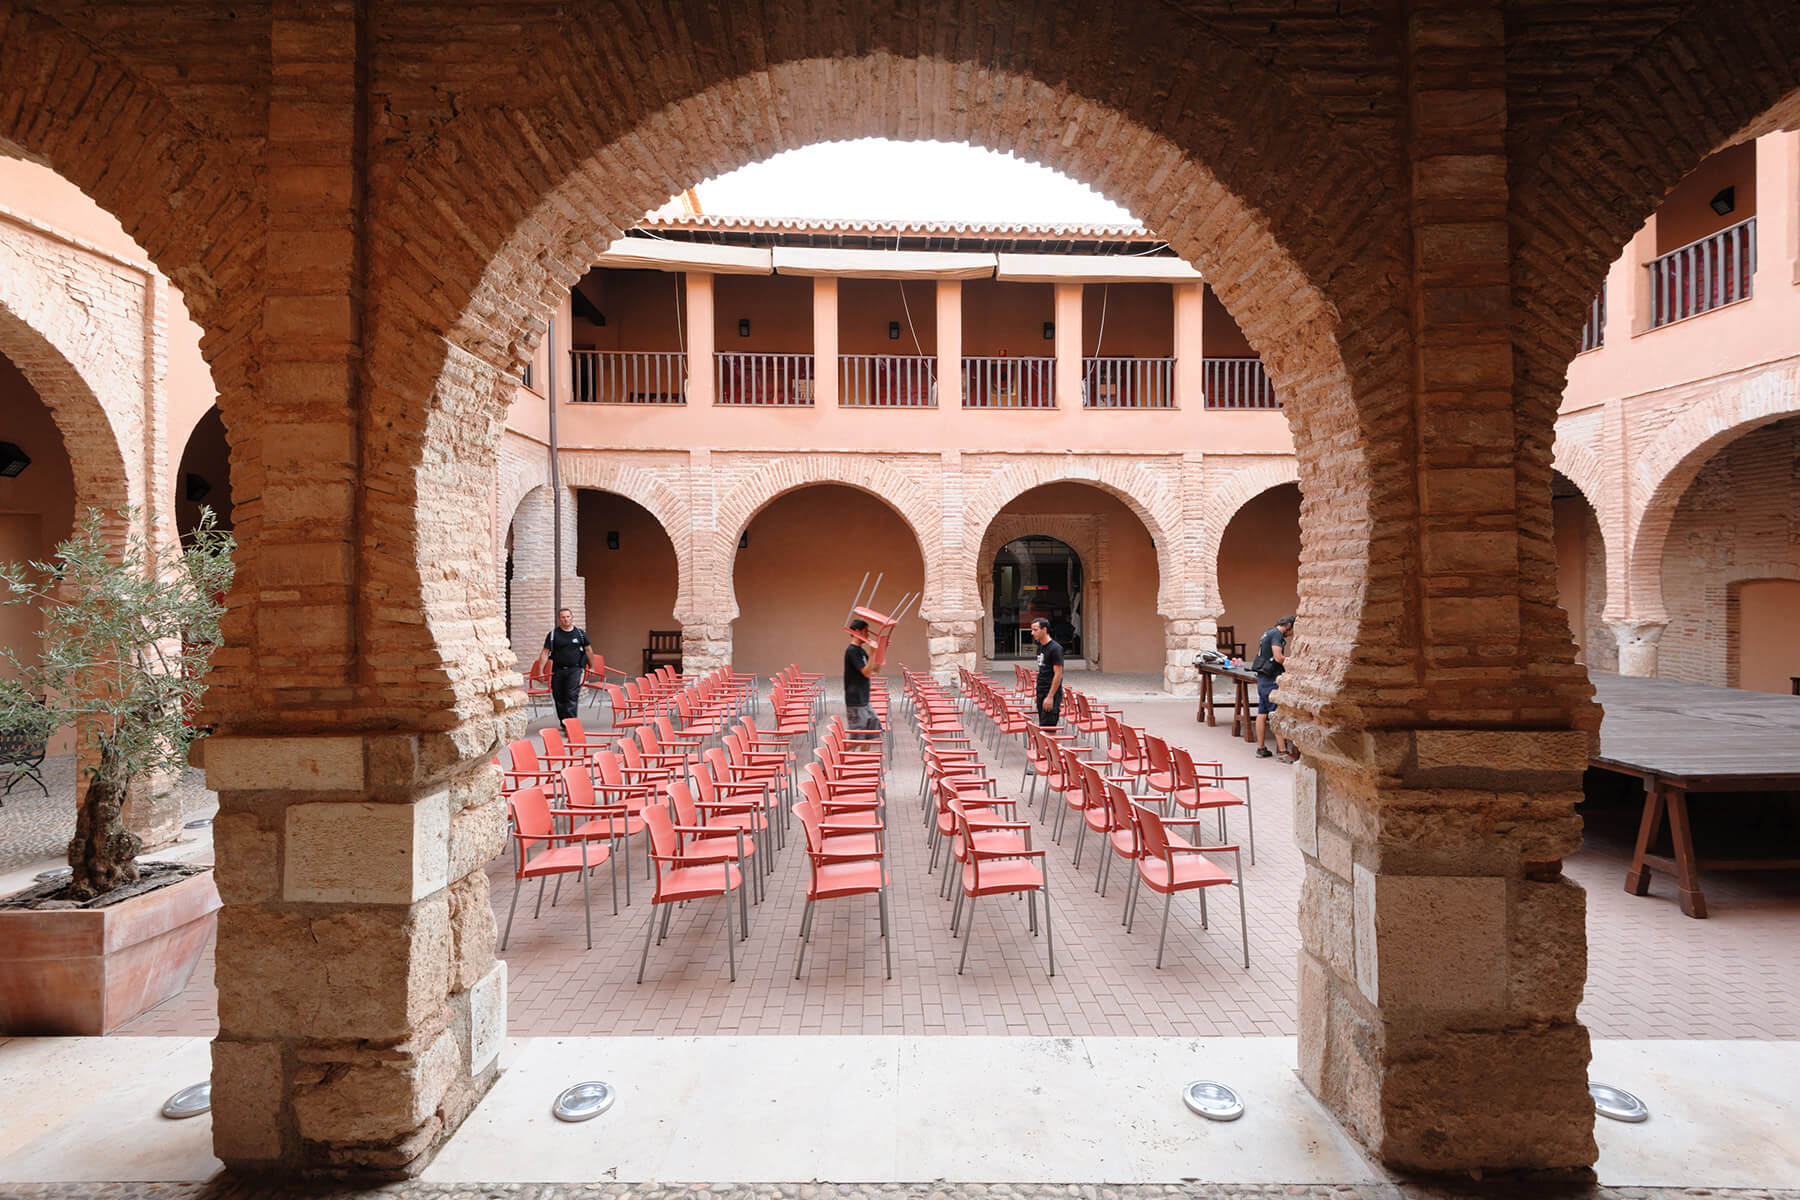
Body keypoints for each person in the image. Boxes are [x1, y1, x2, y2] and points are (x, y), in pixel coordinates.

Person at [533, 606, 591, 722]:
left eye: (568, 617)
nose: (566, 619)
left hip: (575, 669)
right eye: (563, 617)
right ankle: (563, 721)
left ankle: (571, 724)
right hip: (557, 670)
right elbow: (545, 653)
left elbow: (589, 650)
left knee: (571, 695)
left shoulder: (580, 633)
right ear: (559, 619)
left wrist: (592, 667)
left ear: (572, 617)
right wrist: (540, 671)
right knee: (559, 696)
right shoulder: (553, 635)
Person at [1252, 615, 1297, 762]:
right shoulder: (1277, 635)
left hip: (1263, 677)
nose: (1291, 634)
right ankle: (1283, 753)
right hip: (1271, 679)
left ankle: (1261, 748)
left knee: (1262, 712)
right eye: (1292, 630)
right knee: (1275, 712)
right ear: (1288, 625)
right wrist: (1294, 663)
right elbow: (1278, 657)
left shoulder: (1268, 632)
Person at [844, 618, 886, 733]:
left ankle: (863, 751)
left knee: (871, 735)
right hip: (856, 701)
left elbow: (875, 669)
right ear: (858, 632)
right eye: (866, 631)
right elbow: (866, 673)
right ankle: (837, 751)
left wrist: (881, 650)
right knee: (859, 738)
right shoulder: (852, 651)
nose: (868, 634)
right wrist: (872, 652)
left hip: (864, 699)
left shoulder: (861, 651)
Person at [1029, 616, 1064, 726]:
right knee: (1043, 725)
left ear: (1044, 630)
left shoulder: (1055, 649)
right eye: (1032, 630)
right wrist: (1038, 693)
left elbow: (1058, 675)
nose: (1032, 633)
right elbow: (1042, 671)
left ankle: (1050, 744)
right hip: (1041, 691)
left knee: (1049, 728)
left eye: (1035, 630)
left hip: (1050, 693)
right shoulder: (1040, 647)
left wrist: (1050, 696)